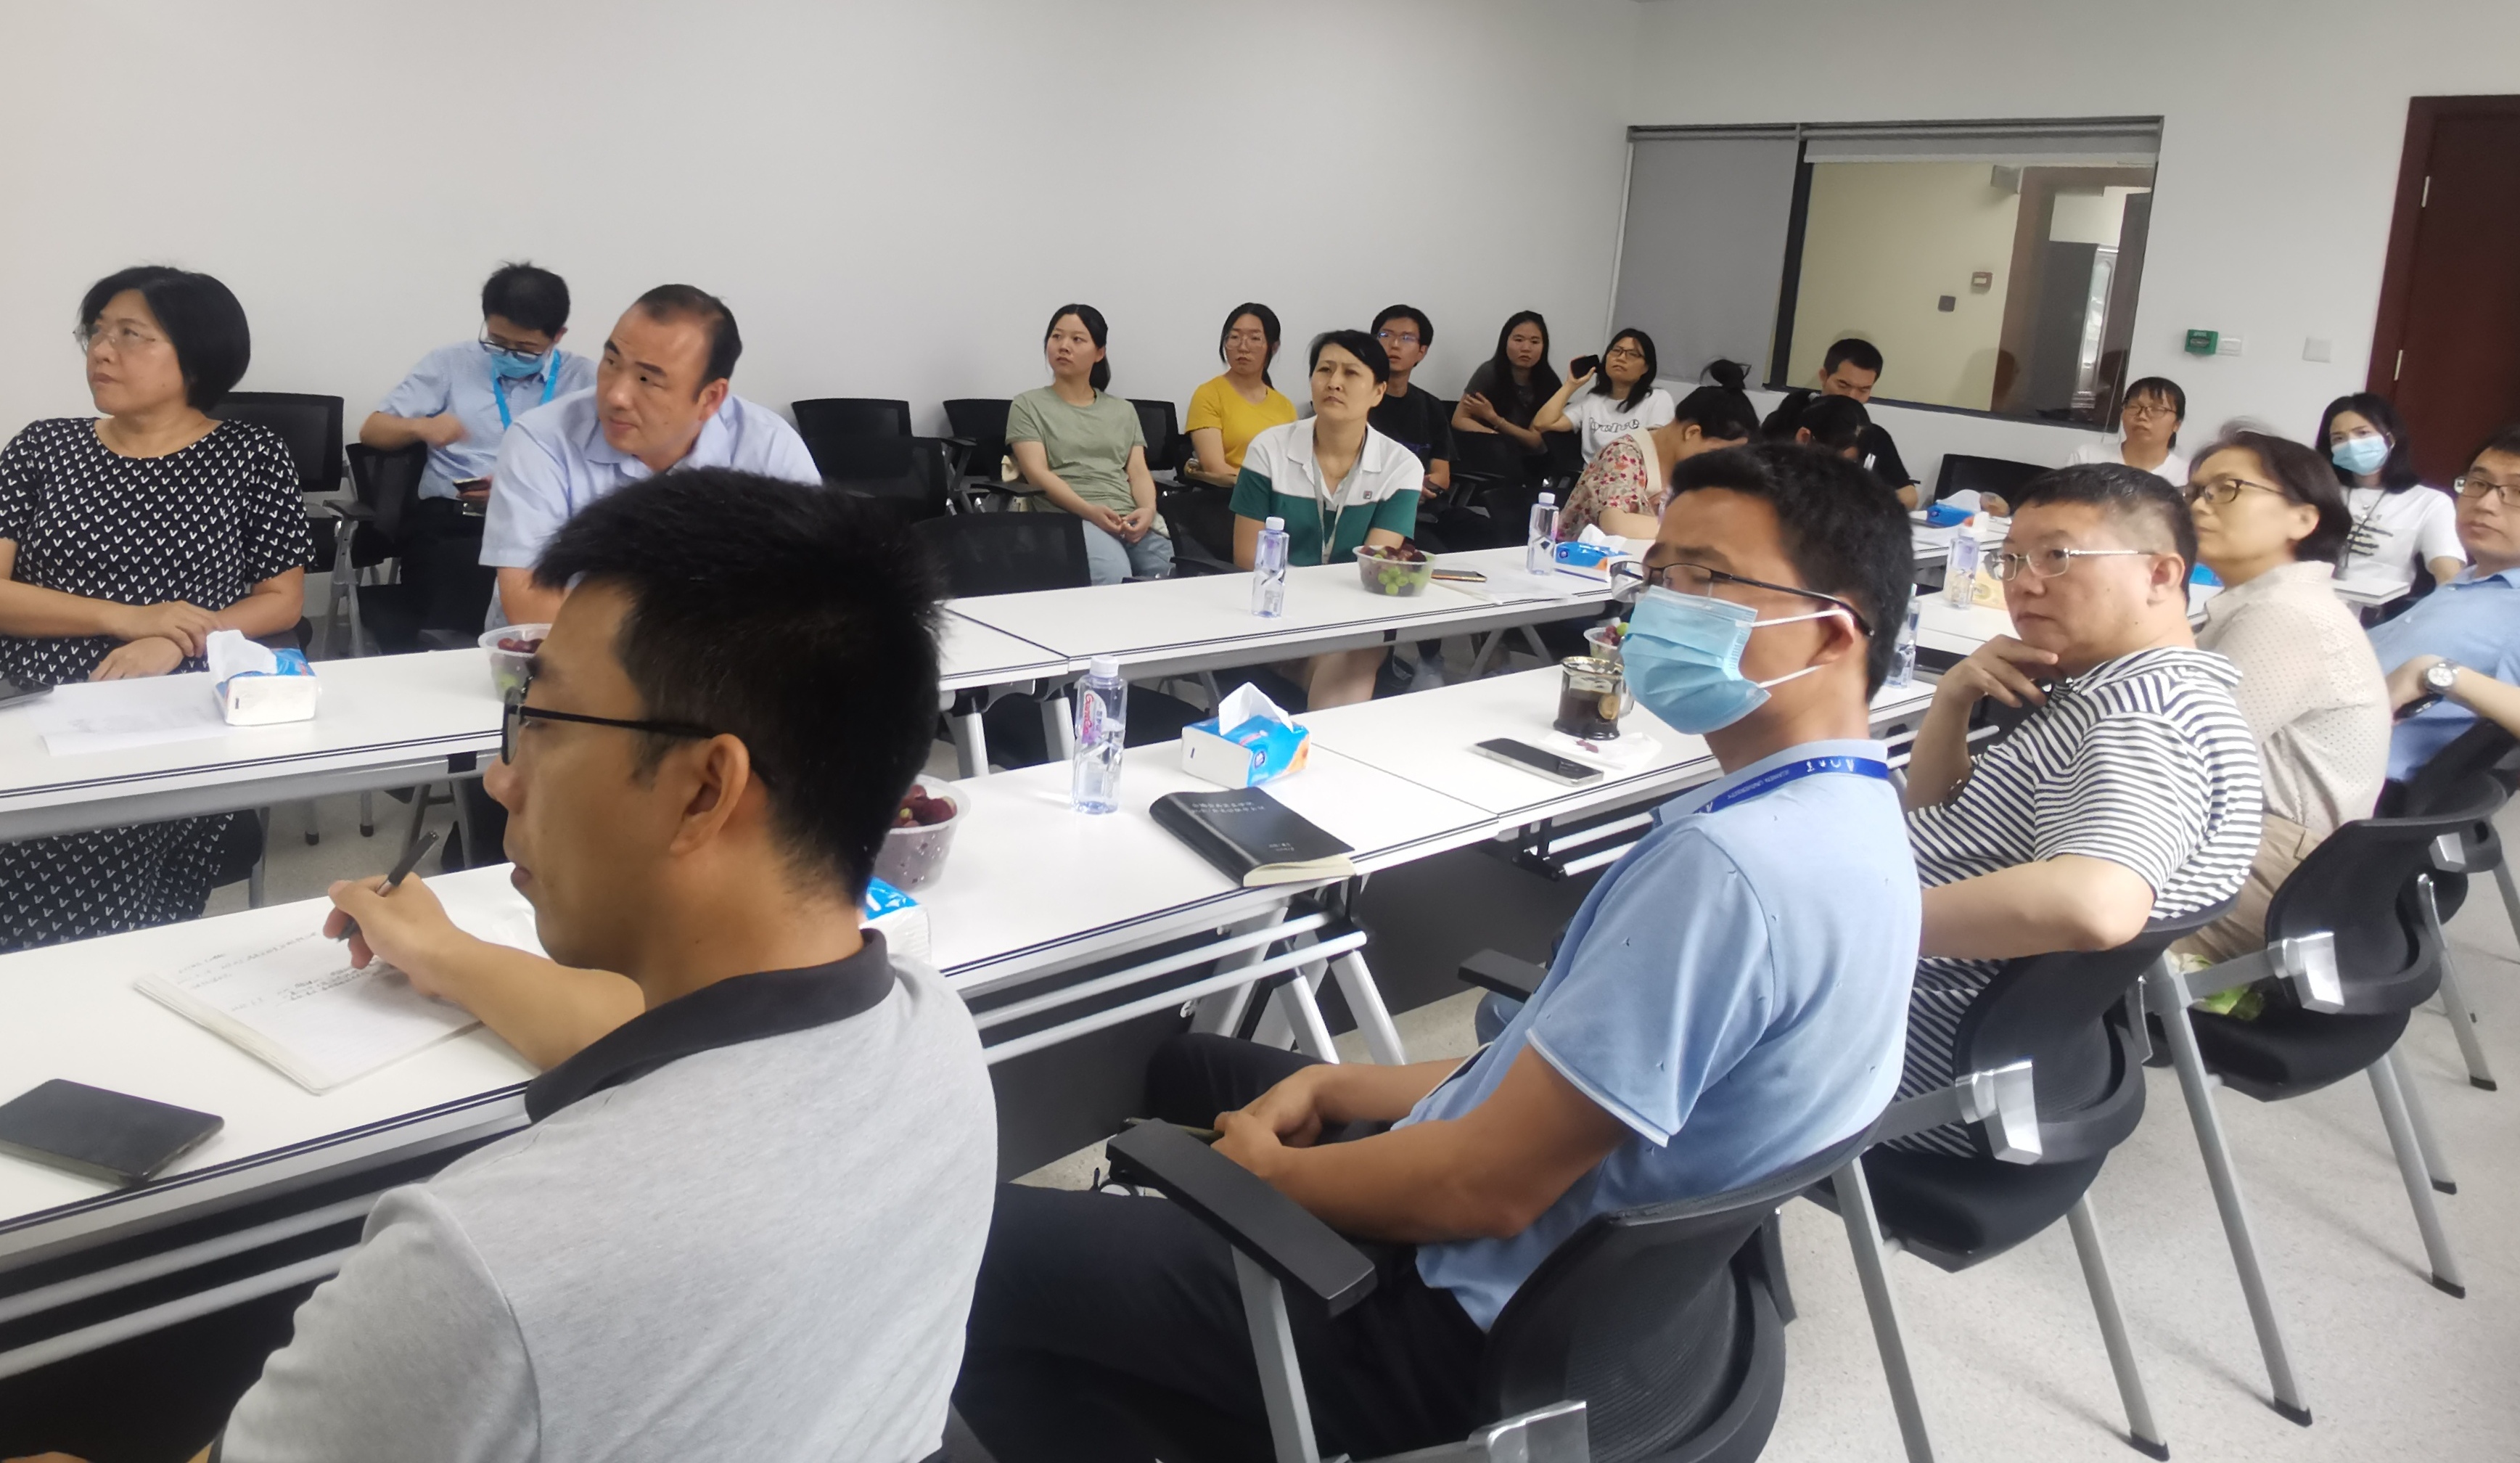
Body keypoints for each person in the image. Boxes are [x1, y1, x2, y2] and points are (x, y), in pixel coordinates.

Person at [956, 442, 1920, 1463]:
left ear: (1831, 630)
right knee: (1193, 1066)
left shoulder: (1727, 873)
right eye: (1657, 574)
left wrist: (1271, 1179)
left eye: (1705, 579)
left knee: (966, 1257)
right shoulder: (1853, 819)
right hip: (1610, 1319)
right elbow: (1567, 1075)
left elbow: (1483, 1188)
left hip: (1430, 1328)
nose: (1659, 609)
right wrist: (1338, 1088)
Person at [34, 472, 994, 1463]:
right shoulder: (935, 1035)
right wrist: (446, 953)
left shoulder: (482, 1267)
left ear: (706, 791)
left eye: (542, 721)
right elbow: (647, 1040)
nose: (501, 778)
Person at [1894, 463, 2262, 1151]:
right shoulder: (2128, 691)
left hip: (1911, 1071)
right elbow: (1930, 816)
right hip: (2005, 1066)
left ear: (2160, 574)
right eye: (2010, 559)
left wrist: (1860, 925)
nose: (2022, 583)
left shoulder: (2143, 719)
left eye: (2056, 557)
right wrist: (1952, 700)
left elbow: (2097, 903)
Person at [0, 266, 308, 953]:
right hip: (24, 699)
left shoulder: (251, 456)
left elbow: (281, 600)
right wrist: (126, 617)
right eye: (97, 333)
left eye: (130, 335)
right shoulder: (43, 446)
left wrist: (177, 639)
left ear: (195, 357)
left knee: (80, 865)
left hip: (168, 709)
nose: (102, 351)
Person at [478, 284, 819, 629]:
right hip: (555, 655)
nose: (616, 396)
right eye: (612, 362)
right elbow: (530, 604)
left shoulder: (768, 449)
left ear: (711, 398)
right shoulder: (541, 439)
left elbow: (814, 594)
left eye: (646, 379)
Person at [2173, 431, 2388, 970]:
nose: (2199, 505)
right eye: (2195, 491)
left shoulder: (2284, 613)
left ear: (2303, 518)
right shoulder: (2275, 600)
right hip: (2267, 849)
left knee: (2021, 908)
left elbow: (2179, 755)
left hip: (2268, 864)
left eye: (2227, 489)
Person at [1229, 330, 1422, 707]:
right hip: (1272, 613)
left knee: (1356, 651)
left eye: (1351, 373)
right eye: (1324, 370)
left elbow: (1373, 569)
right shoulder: (1269, 449)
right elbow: (1246, 556)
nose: (1334, 382)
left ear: (1378, 392)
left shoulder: (1400, 467)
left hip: (1349, 621)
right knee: (1347, 663)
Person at [358, 262, 596, 507]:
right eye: (497, 341)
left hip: (545, 514)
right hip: (453, 514)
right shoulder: (450, 363)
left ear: (558, 335)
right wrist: (420, 427)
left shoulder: (586, 381)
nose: (509, 354)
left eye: (525, 348)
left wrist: (518, 492)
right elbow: (372, 431)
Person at [2368, 425, 2520, 781]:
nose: (2485, 503)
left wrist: (2437, 673)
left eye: (2518, 492)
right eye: (2478, 483)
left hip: (2344, 783)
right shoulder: (2469, 580)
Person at [1006, 304, 1171, 584]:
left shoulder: (1123, 411)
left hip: (1128, 517)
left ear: (1099, 352)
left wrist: (1147, 510)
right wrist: (1089, 511)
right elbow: (1037, 473)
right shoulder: (1028, 405)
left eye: (1077, 339)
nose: (1064, 346)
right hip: (1069, 517)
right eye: (1057, 336)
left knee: (1174, 576)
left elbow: (1139, 472)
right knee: (1114, 577)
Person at [1557, 358, 1760, 539]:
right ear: (1692, 433)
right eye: (1719, 454)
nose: (1721, 464)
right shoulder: (1624, 455)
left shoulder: (1690, 466)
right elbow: (1616, 524)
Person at [2320, 393, 2463, 593]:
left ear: (2391, 437)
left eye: (2362, 433)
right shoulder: (2322, 491)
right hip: (2317, 600)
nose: (2351, 444)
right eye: (2339, 438)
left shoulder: (2431, 501)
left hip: (2384, 607)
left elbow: (2447, 572)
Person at [1762, 337, 1918, 504]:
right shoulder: (1785, 421)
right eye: (1843, 385)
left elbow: (1909, 496)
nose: (1852, 396)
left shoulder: (1875, 435)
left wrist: (1866, 502)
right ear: (1824, 376)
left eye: (1864, 390)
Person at [1181, 303, 1297, 487]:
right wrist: (1269, 485)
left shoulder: (1285, 406)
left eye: (1255, 338)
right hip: (1228, 495)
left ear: (1273, 347)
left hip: (1277, 496)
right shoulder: (1209, 395)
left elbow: (1293, 468)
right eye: (1234, 337)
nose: (1243, 347)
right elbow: (1214, 467)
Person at [1534, 327, 1675, 463]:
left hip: (1636, 474)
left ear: (1646, 367)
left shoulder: (1657, 399)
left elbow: (1659, 447)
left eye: (1632, 354)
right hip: (1594, 475)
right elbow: (1542, 423)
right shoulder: (1592, 401)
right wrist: (1571, 385)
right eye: (1616, 351)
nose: (1621, 358)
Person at [1450, 311, 1561, 475]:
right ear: (1505, 342)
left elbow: (1536, 442)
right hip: (1492, 459)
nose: (1526, 348)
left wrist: (1494, 419)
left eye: (1535, 342)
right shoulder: (1488, 373)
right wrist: (1496, 438)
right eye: (1518, 340)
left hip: (1536, 464)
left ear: (1544, 346)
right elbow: (1459, 419)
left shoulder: (1550, 383)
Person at [1368, 304, 1452, 493]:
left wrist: (1416, 488)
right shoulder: (1356, 400)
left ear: (1422, 351)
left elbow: (1442, 474)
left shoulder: (1432, 407)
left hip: (1422, 500)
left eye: (1407, 338)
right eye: (1385, 335)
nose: (1395, 345)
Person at [2069, 375, 2191, 485]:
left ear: (2177, 424)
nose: (2142, 416)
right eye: (2134, 407)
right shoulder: (2087, 458)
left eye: (2157, 410)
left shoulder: (2186, 476)